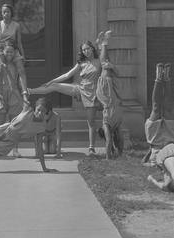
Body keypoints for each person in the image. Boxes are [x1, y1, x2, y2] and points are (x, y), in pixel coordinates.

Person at [27, 33, 108, 156]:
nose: (86, 51)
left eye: (87, 49)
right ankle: (30, 91)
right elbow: (67, 75)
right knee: (54, 86)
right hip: (81, 89)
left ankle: (91, 148)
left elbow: (105, 58)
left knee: (91, 122)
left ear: (92, 48)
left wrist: (102, 43)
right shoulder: (82, 63)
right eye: (83, 50)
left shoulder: (98, 61)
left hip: (94, 93)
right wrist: (52, 80)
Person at [0, 40, 27, 156]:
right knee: (0, 125)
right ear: (3, 52)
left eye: (11, 52)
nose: (9, 54)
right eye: (7, 52)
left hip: (13, 94)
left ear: (15, 52)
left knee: (14, 124)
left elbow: (20, 77)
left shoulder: (16, 64)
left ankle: (15, 149)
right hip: (0, 92)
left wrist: (24, 92)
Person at [142, 63, 174, 167]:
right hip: (170, 139)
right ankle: (166, 79)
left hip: (155, 140)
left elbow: (145, 164)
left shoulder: (155, 163)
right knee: (168, 108)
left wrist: (147, 158)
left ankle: (158, 78)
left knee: (155, 108)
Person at [0, 4, 28, 99]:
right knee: (0, 69)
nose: (6, 13)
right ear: (2, 13)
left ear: (11, 13)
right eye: (4, 12)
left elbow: (19, 42)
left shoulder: (17, 25)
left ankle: (25, 92)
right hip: (0, 50)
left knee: (21, 69)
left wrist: (22, 55)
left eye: (8, 11)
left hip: (13, 49)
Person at [95, 31, 125, 160]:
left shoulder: (116, 125)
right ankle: (102, 44)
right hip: (109, 100)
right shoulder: (106, 124)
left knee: (106, 68)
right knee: (107, 67)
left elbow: (113, 141)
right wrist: (107, 158)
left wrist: (118, 154)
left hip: (114, 103)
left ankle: (102, 45)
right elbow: (108, 142)